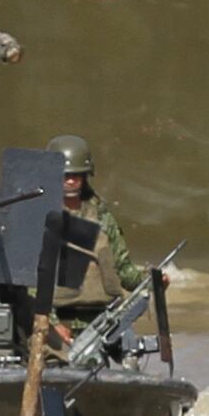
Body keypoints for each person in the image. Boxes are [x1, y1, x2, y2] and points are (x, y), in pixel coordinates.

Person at [45, 134, 135, 340]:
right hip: (58, 319)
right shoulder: (42, 217)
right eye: (64, 175)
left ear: (86, 176)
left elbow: (123, 268)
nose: (70, 181)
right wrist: (52, 323)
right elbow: (28, 284)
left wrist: (151, 279)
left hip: (101, 319)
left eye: (76, 176)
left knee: (130, 352)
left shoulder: (102, 217)